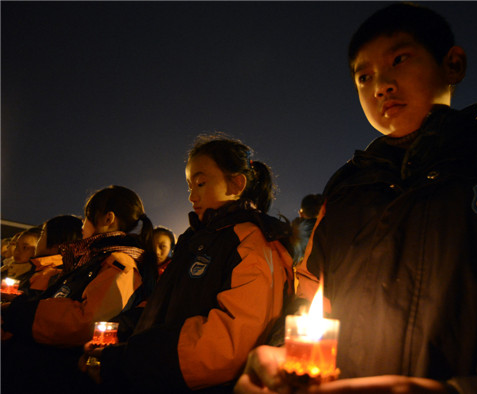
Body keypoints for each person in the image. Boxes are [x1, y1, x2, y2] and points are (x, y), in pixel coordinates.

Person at [234, 3, 477, 394]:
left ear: (453, 64)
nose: (382, 85)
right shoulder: (347, 193)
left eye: (400, 59)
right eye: (364, 76)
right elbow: (309, 304)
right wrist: (279, 359)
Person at [80, 134, 294, 393]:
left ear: (237, 184)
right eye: (189, 186)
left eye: (201, 183)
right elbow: (164, 305)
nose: (192, 196)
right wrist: (121, 333)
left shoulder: (253, 240)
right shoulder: (198, 240)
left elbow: (228, 342)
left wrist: (128, 362)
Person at [1, 185, 157, 394]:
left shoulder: (119, 264)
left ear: (108, 219)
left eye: (86, 218)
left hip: (62, 375)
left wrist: (22, 312)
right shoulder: (94, 259)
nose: (82, 226)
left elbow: (87, 321)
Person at [18, 214, 83, 296]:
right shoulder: (72, 271)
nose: (38, 241)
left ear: (56, 244)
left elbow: (30, 306)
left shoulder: (49, 276)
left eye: (42, 235)